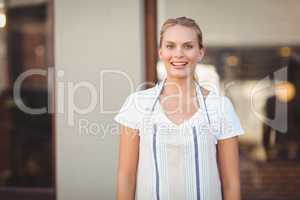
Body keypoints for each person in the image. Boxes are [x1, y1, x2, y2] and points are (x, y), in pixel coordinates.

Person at [115, 17, 244, 200]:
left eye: (188, 46)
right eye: (170, 46)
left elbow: (231, 184)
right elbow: (126, 177)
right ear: (160, 52)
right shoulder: (137, 104)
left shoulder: (220, 107)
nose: (179, 54)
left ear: (200, 52)